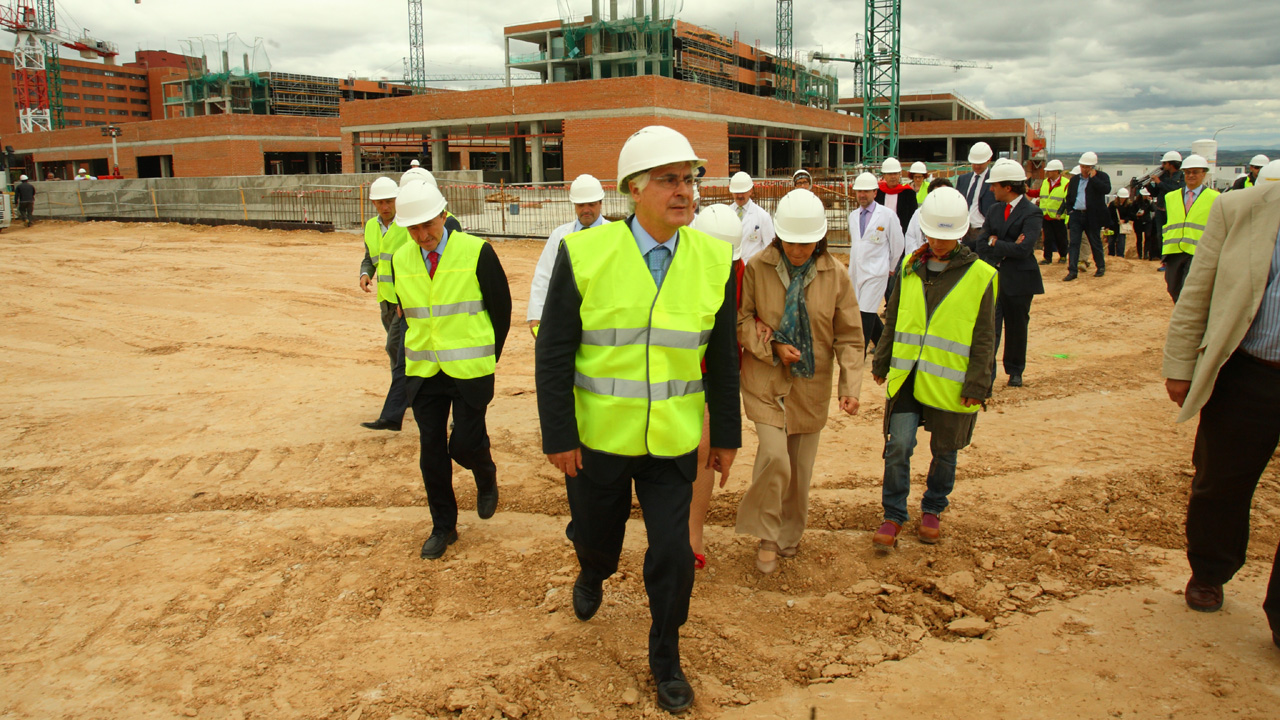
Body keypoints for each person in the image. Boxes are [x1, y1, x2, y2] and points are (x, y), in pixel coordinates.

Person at [535, 125, 740, 715]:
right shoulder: (585, 254)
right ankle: (592, 570)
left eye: (690, 179)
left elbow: (722, 358)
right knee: (599, 539)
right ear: (634, 188)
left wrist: (725, 434)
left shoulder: (711, 259)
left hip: (673, 442)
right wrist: (560, 436)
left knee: (673, 553)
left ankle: (666, 656)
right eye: (669, 179)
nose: (685, 191)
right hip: (598, 439)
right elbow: (553, 353)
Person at [1162, 178, 1280, 651]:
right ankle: (1210, 568)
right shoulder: (1241, 209)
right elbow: (1198, 293)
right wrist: (1181, 365)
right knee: (1220, 481)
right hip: (1249, 374)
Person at [735, 189, 863, 573]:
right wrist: (772, 345)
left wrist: (849, 388)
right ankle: (767, 535)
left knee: (799, 468)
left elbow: (850, 335)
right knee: (775, 457)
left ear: (820, 239)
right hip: (765, 381)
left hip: (811, 385)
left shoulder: (835, 275)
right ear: (779, 235)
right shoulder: (758, 267)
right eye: (791, 241)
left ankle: (789, 534)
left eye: (806, 243)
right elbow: (742, 321)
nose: (798, 250)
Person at [390, 181, 511, 560]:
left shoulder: (477, 252)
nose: (422, 235)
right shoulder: (400, 259)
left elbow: (501, 311)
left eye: (428, 224)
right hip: (425, 371)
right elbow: (409, 313)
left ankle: (484, 468)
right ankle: (443, 526)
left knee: (463, 444)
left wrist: (489, 359)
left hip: (470, 369)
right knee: (431, 452)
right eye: (413, 228)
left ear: (444, 214)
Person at [871, 187, 997, 549]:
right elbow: (893, 317)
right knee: (899, 446)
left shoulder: (981, 276)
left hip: (950, 381)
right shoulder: (911, 268)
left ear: (961, 233)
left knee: (945, 449)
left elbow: (986, 335)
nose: (939, 243)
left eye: (947, 236)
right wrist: (881, 359)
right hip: (908, 375)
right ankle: (893, 514)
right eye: (933, 235)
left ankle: (933, 508)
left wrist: (978, 383)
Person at [687, 204, 745, 570]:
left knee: (704, 449)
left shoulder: (741, 270)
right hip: (676, 368)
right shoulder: (679, 266)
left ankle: (693, 534)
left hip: (713, 372)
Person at [978, 159, 1043, 388]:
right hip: (994, 277)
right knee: (990, 328)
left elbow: (1024, 249)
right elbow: (981, 242)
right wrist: (1001, 245)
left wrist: (996, 243)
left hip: (1019, 280)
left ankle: (1015, 370)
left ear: (1008, 187)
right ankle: (988, 374)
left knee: (1017, 326)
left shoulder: (1032, 212)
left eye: (994, 185)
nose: (991, 188)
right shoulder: (994, 210)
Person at [358, 177, 415, 432]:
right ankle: (407, 392)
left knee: (395, 346)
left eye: (389, 201)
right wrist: (365, 273)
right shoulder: (371, 226)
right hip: (386, 299)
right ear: (373, 203)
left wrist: (407, 298)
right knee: (399, 351)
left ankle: (398, 402)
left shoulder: (406, 225)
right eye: (380, 202)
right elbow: (370, 257)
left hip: (405, 300)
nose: (385, 206)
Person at [527, 174, 608, 334]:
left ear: (600, 203)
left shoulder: (614, 235)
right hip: (565, 314)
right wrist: (536, 314)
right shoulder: (560, 236)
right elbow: (544, 275)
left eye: (591, 204)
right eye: (580, 205)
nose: (586, 210)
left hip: (602, 315)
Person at [847, 171, 905, 351]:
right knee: (864, 311)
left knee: (864, 314)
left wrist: (891, 267)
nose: (862, 195)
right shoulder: (853, 216)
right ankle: (885, 346)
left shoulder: (887, 216)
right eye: (859, 192)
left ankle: (859, 352)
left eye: (866, 191)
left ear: (875, 192)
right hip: (857, 272)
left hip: (877, 272)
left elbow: (898, 243)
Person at [1162, 154, 1219, 303]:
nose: (1191, 175)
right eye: (1188, 172)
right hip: (1174, 252)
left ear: (1203, 174)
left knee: (1189, 291)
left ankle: (1185, 321)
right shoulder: (1171, 197)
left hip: (1198, 252)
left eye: (1195, 172)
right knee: (1173, 288)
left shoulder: (1215, 198)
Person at [1060, 151, 1111, 280]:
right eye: (1083, 166)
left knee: (1095, 241)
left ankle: (1100, 267)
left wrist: (1094, 179)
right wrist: (1071, 211)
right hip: (1076, 215)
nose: (1084, 169)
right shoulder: (1075, 180)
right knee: (1074, 243)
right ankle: (1072, 270)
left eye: (1087, 167)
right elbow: (1070, 197)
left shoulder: (1101, 177)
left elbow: (1106, 189)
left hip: (1092, 216)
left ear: (1093, 167)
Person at [953, 142, 997, 250]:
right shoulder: (963, 180)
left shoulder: (995, 180)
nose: (976, 166)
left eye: (980, 163)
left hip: (983, 231)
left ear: (989, 159)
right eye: (974, 163)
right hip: (964, 232)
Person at [1146, 150, 1186, 266]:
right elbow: (1156, 192)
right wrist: (1148, 185)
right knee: (1160, 236)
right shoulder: (1163, 176)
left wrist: (1159, 183)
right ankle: (1164, 261)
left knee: (1173, 236)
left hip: (1173, 212)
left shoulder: (1181, 177)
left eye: (1165, 163)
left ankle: (1173, 260)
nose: (1162, 166)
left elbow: (1176, 190)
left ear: (1171, 164)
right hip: (1161, 210)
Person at [728, 171, 775, 263]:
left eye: (743, 192)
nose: (740, 196)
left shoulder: (762, 216)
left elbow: (770, 248)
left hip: (752, 270)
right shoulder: (726, 214)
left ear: (750, 191)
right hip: (731, 268)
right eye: (736, 192)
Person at [904, 177, 953, 257]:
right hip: (921, 259)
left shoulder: (955, 214)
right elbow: (911, 237)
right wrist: (917, 256)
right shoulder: (919, 213)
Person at [1036, 159, 1070, 265]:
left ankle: (1063, 256)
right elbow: (1040, 193)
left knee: (1061, 238)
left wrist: (1061, 212)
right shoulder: (1046, 182)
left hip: (1058, 217)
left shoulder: (1066, 183)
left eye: (1050, 171)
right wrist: (1029, 191)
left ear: (1056, 171)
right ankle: (1047, 258)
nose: (1047, 173)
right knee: (1048, 238)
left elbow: (1066, 200)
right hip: (1046, 215)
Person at [875, 157, 919, 238]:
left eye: (895, 173)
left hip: (902, 234)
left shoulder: (908, 194)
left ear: (900, 174)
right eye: (889, 174)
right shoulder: (878, 193)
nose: (893, 177)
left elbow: (913, 217)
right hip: (881, 233)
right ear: (884, 175)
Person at [1105, 188, 1130, 257]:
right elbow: (1108, 216)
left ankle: (1120, 255)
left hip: (1122, 226)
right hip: (1113, 226)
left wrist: (1124, 220)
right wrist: (1107, 226)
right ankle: (1111, 255)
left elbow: (1129, 215)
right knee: (1111, 241)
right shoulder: (1113, 205)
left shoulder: (1128, 205)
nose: (1122, 199)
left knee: (1121, 241)